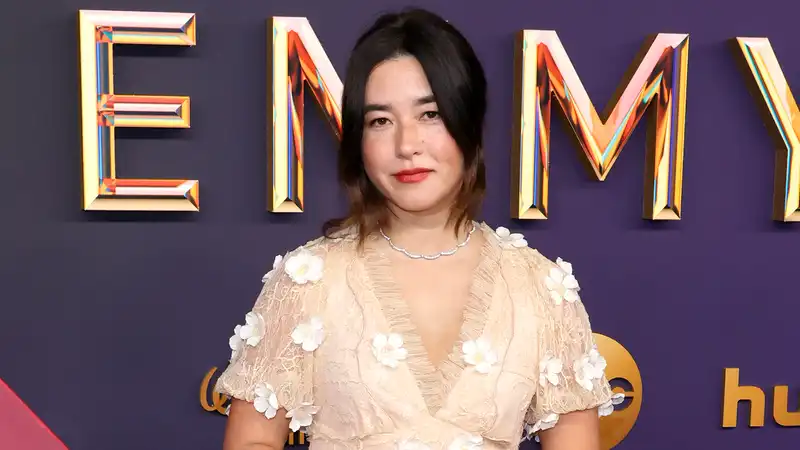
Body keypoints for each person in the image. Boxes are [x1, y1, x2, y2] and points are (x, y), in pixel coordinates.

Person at [215, 7, 617, 450]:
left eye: (430, 115)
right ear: (358, 141)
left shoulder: (541, 289)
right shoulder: (308, 279)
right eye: (380, 121)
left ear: (468, 123)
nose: (407, 145)